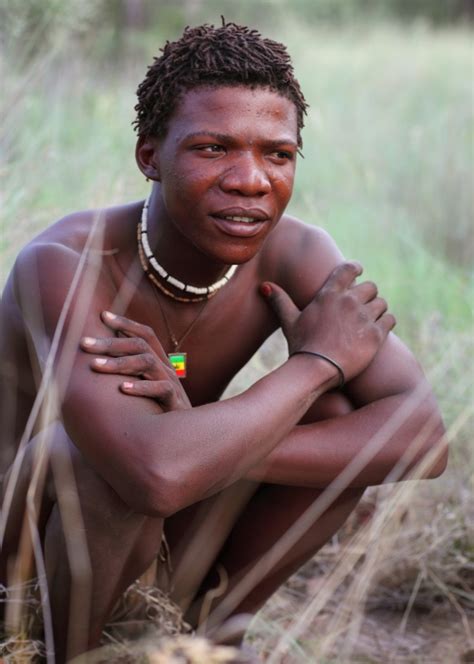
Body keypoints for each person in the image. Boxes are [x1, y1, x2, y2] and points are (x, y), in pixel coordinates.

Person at [0, 20, 447, 663]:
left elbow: (424, 439)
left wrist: (199, 434)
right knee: (96, 452)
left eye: (278, 153)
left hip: (153, 524)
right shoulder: (65, 265)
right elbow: (151, 474)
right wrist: (316, 364)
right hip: (24, 554)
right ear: (150, 156)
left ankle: (204, 637)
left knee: (334, 420)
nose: (251, 180)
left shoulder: (296, 251)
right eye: (213, 149)